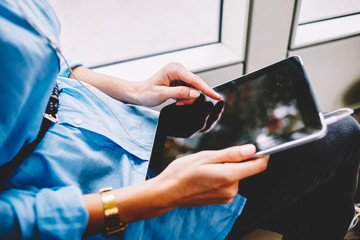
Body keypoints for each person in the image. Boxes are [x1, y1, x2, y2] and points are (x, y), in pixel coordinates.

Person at [0, 1, 359, 239]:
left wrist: (134, 89)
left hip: (109, 121)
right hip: (89, 195)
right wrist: (160, 196)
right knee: (341, 137)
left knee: (317, 149)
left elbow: (54, 64)